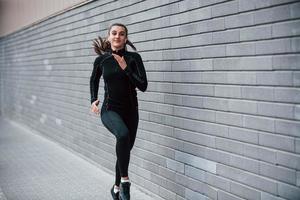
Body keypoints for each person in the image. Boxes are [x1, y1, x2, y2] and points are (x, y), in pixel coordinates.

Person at [89, 23, 148, 200]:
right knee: (122, 135)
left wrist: (126, 68)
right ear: (109, 37)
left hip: (131, 111)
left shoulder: (134, 58)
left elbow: (143, 85)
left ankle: (115, 189)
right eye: (114, 33)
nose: (117, 36)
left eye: (121, 34)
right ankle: (125, 182)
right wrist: (93, 99)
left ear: (125, 38)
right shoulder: (102, 60)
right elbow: (93, 80)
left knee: (124, 151)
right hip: (109, 110)